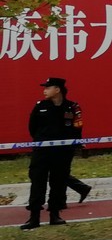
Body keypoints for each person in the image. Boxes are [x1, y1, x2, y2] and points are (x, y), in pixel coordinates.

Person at [23, 77, 83, 229]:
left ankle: (55, 215)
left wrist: (71, 147)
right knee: (37, 182)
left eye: (48, 87)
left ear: (57, 89)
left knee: (59, 183)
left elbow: (77, 127)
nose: (44, 90)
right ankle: (34, 217)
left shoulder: (71, 107)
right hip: (42, 152)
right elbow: (32, 127)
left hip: (62, 153)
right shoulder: (40, 106)